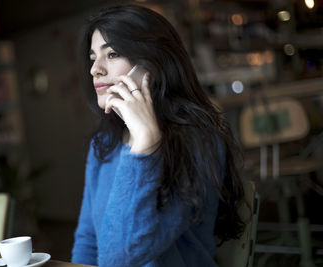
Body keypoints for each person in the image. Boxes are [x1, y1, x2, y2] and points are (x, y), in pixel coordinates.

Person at [71, 4, 244, 267]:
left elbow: (121, 256)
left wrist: (145, 145)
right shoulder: (104, 144)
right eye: (93, 57)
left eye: (113, 54)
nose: (95, 69)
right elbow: (88, 240)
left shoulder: (197, 141)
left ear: (152, 62)